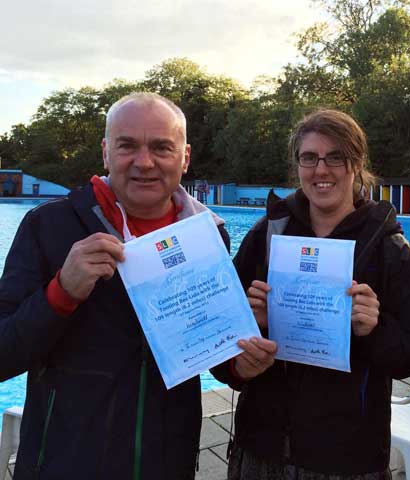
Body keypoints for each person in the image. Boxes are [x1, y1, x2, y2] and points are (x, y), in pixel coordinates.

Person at [0, 92, 246, 479]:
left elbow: (203, 349)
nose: (144, 162)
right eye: (127, 145)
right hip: (64, 463)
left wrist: (239, 364)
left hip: (167, 462)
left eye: (162, 147)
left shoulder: (208, 236)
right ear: (105, 152)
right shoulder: (48, 226)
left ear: (184, 157)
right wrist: (61, 292)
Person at [212, 108, 410, 479]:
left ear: (357, 162)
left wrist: (373, 330)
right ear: (297, 165)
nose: (321, 169)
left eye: (335, 157)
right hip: (260, 448)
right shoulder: (268, 234)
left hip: (347, 457)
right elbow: (220, 338)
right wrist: (252, 329)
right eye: (309, 158)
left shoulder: (388, 247)